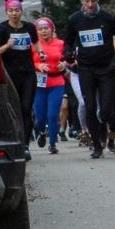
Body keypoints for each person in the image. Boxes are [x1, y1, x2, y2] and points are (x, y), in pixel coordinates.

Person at [62, 0, 115, 159]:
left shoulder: (108, 18)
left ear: (98, 1)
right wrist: (68, 53)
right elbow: (67, 41)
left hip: (106, 68)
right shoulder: (74, 20)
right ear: (82, 1)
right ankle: (97, 145)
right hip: (85, 69)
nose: (90, 4)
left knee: (105, 109)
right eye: (86, 1)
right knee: (89, 107)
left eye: (93, 1)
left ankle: (104, 129)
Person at [0, 0, 36, 150]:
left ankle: (25, 144)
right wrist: (7, 45)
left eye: (17, 10)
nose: (14, 14)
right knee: (13, 109)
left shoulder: (30, 28)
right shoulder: (2, 29)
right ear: (7, 12)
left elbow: (36, 45)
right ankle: (14, 140)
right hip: (10, 75)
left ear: (21, 11)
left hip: (28, 74)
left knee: (26, 108)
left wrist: (41, 56)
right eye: (11, 11)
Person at [30, 17, 66, 155]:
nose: (43, 31)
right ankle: (41, 132)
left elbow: (67, 58)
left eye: (46, 28)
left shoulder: (60, 43)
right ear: (36, 31)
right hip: (39, 84)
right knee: (40, 117)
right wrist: (38, 65)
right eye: (40, 29)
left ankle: (52, 143)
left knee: (52, 115)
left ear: (52, 29)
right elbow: (26, 62)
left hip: (56, 82)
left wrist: (64, 64)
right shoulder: (33, 45)